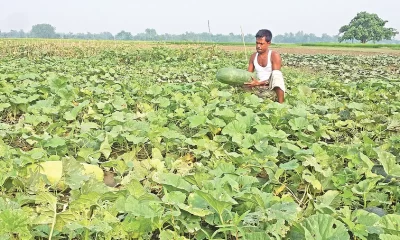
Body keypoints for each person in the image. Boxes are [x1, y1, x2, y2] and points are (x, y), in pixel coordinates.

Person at [244, 29, 286, 103]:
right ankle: (248, 100)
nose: (258, 46)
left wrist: (259, 83)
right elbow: (248, 74)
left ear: (268, 43)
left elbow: (275, 79)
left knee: (277, 75)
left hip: (270, 88)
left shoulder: (274, 56)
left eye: (261, 44)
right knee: (243, 81)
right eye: (257, 43)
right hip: (256, 88)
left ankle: (281, 103)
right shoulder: (253, 56)